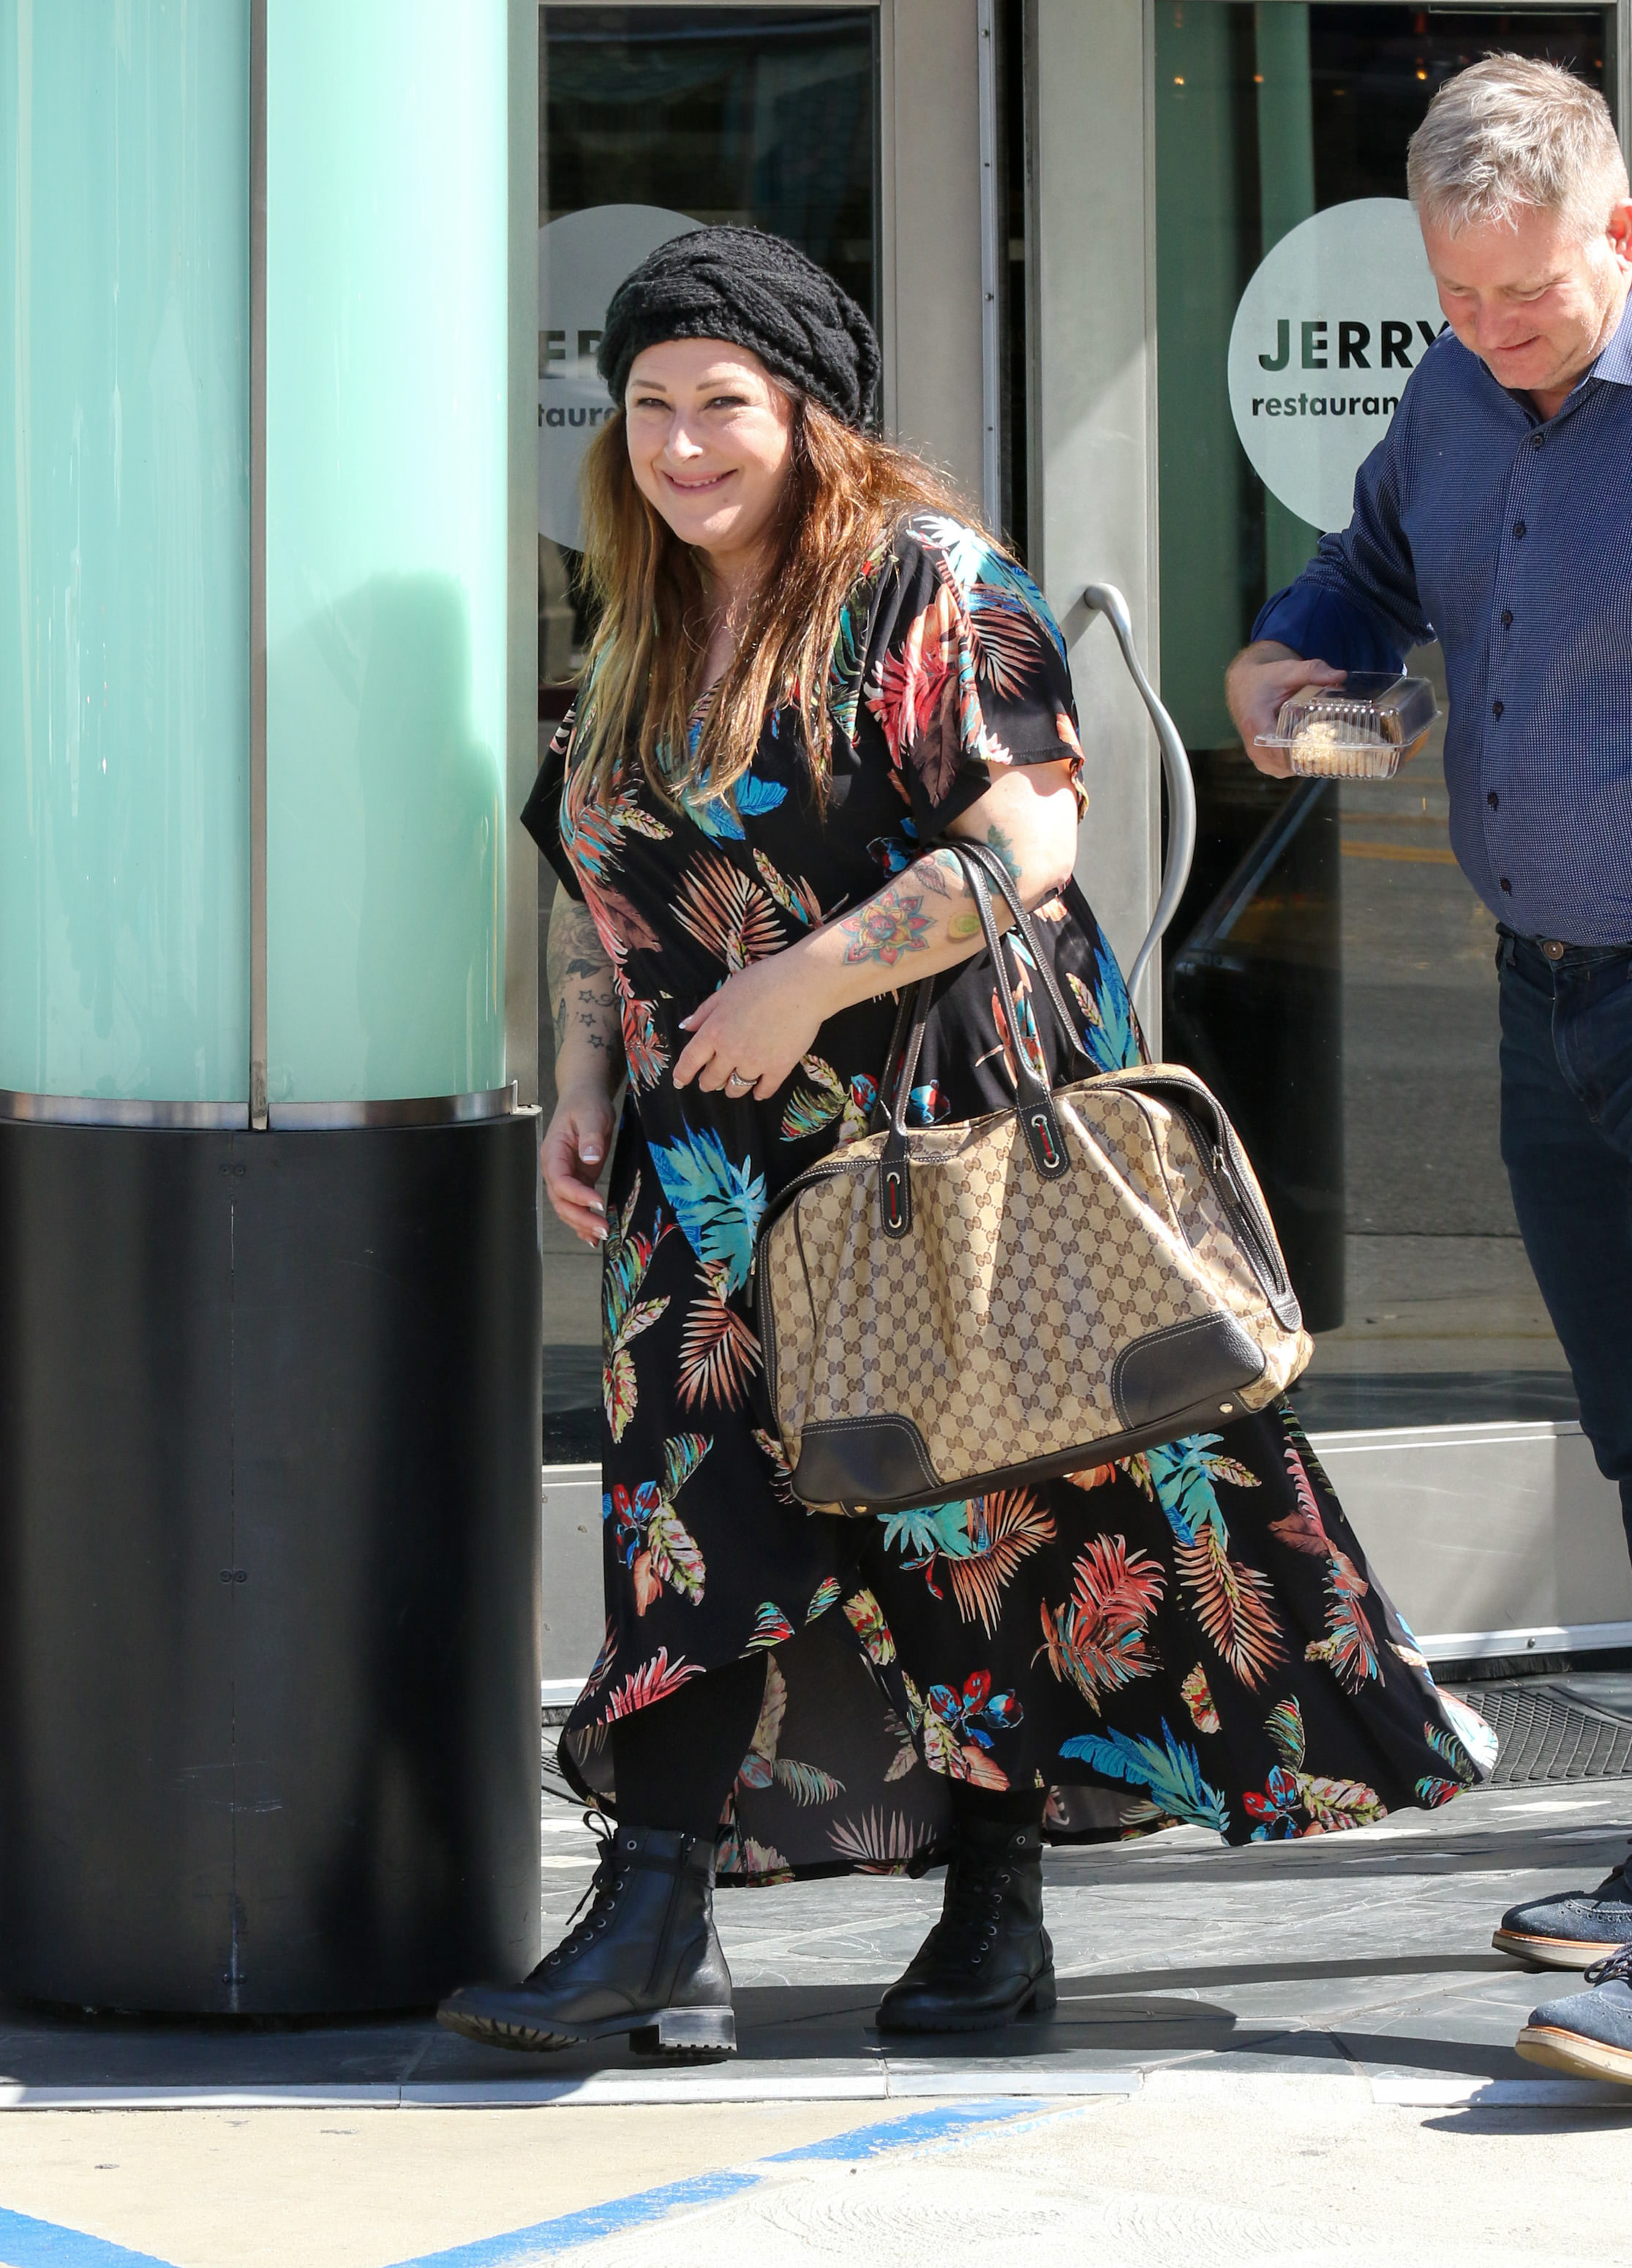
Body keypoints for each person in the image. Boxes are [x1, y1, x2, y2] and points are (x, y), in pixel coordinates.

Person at [439, 225, 1489, 2064]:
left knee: (983, 1506)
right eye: (651, 407)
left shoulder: (930, 581)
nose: (682, 445)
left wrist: (797, 988)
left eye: (725, 406)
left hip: (925, 1132)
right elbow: (600, 862)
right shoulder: (641, 601)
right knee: (692, 1520)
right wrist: (590, 1064)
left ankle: (993, 1920)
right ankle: (652, 1916)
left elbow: (1026, 844)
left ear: (812, 415)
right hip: (710, 1174)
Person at [1222, 56, 1632, 2084]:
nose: (1487, 336)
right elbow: (1370, 571)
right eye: (1456, 302)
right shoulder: (1457, 396)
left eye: (1525, 299)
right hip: (1544, 986)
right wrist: (1284, 656)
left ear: (1619, 235)